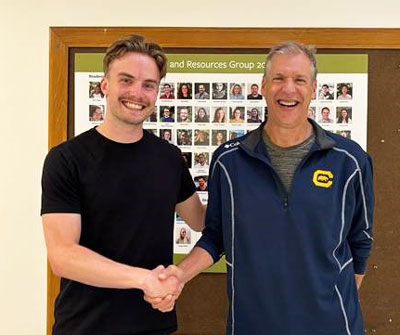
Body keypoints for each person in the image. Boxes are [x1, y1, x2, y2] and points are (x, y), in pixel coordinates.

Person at [147, 41, 374, 335]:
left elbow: (360, 243)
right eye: (279, 78)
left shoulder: (350, 160)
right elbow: (216, 237)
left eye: (299, 80)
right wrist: (179, 275)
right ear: (264, 86)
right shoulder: (228, 161)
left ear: (314, 89)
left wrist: (326, 301)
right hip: (251, 325)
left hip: (334, 326)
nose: (288, 89)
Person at [41, 34, 206, 335]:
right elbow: (63, 257)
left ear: (158, 91)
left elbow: (202, 221)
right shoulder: (66, 159)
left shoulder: (169, 158)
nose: (137, 93)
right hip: (85, 326)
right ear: (104, 84)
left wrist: (178, 276)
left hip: (154, 323)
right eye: (126, 80)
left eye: (148, 85)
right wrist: (143, 279)